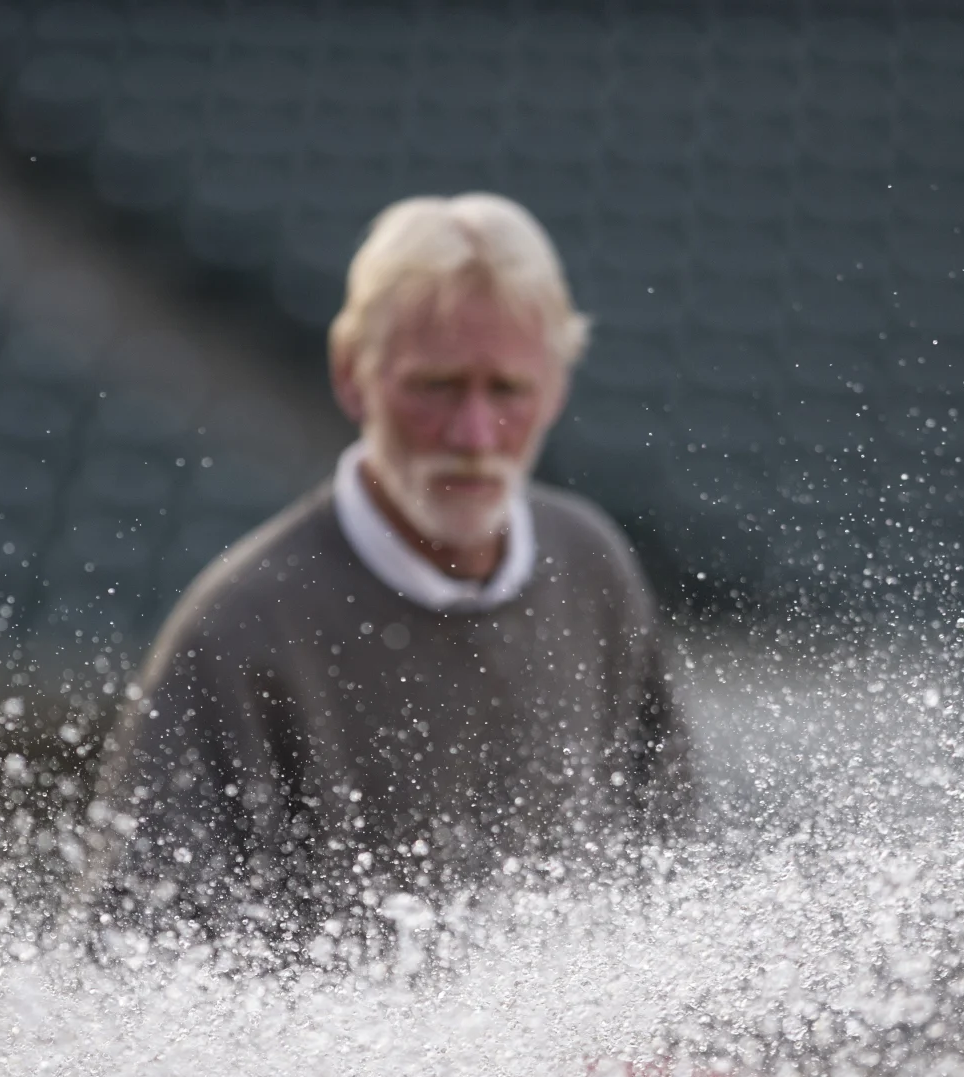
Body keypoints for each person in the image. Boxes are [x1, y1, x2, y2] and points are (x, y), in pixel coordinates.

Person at [92, 193, 692, 961]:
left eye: (506, 390)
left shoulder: (591, 564)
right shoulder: (239, 629)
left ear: (555, 389)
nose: (474, 436)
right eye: (436, 387)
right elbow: (137, 964)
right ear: (352, 375)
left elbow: (669, 869)